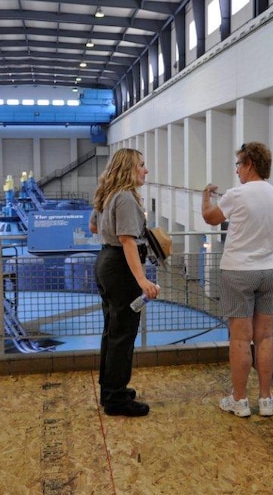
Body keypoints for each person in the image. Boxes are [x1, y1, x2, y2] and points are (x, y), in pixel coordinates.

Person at [202, 142, 273, 417]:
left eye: (238, 164)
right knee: (264, 337)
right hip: (272, 270)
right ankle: (265, 399)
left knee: (240, 338)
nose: (237, 170)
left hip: (239, 271)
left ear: (249, 163)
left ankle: (239, 400)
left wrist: (206, 196)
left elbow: (210, 218)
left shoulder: (237, 194)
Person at [93, 148, 160, 417]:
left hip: (105, 263)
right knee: (123, 334)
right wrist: (142, 279)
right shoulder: (126, 198)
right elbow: (127, 240)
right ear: (129, 169)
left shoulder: (106, 195)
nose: (146, 170)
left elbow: (93, 228)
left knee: (112, 331)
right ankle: (116, 399)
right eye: (141, 165)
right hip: (121, 267)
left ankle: (110, 390)